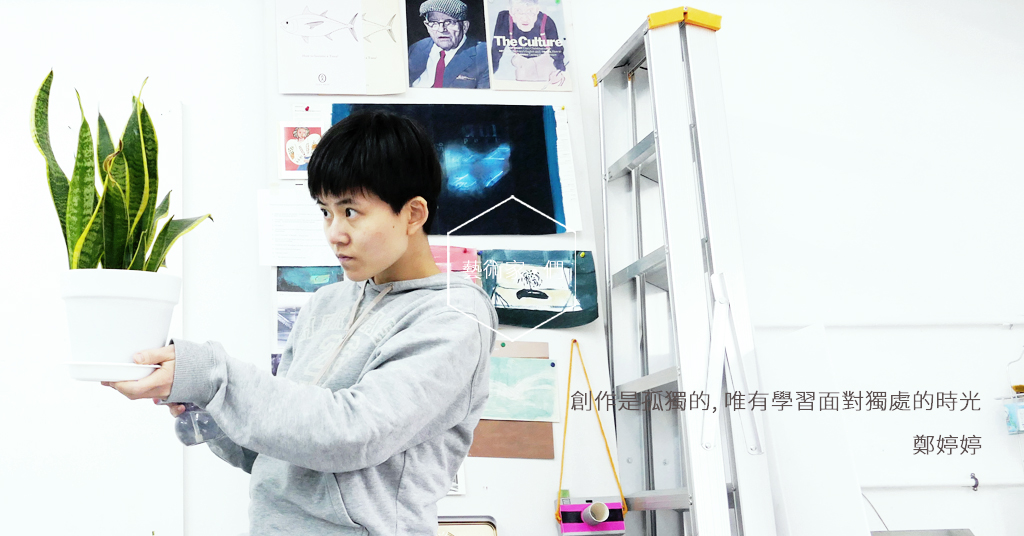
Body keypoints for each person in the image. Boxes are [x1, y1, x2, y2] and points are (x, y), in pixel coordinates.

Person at [104, 110, 499, 536]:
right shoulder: (326, 304)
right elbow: (278, 450)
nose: (334, 233)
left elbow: (353, 434)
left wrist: (213, 376)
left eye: (351, 211)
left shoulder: (454, 318)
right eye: (325, 212)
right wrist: (204, 403)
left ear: (413, 214)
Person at [408, 0, 490, 88]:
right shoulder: (416, 48)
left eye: (449, 22)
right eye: (434, 23)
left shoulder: (484, 55)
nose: (441, 29)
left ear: (464, 26)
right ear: (427, 26)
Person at [490, 0, 566, 86]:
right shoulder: (504, 19)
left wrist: (560, 70)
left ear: (537, 10)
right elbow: (496, 50)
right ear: (511, 12)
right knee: (523, 86)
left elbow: (556, 49)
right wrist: (489, 72)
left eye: (530, 11)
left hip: (544, 58)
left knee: (548, 83)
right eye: (518, 11)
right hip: (521, 59)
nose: (525, 18)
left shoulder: (546, 22)